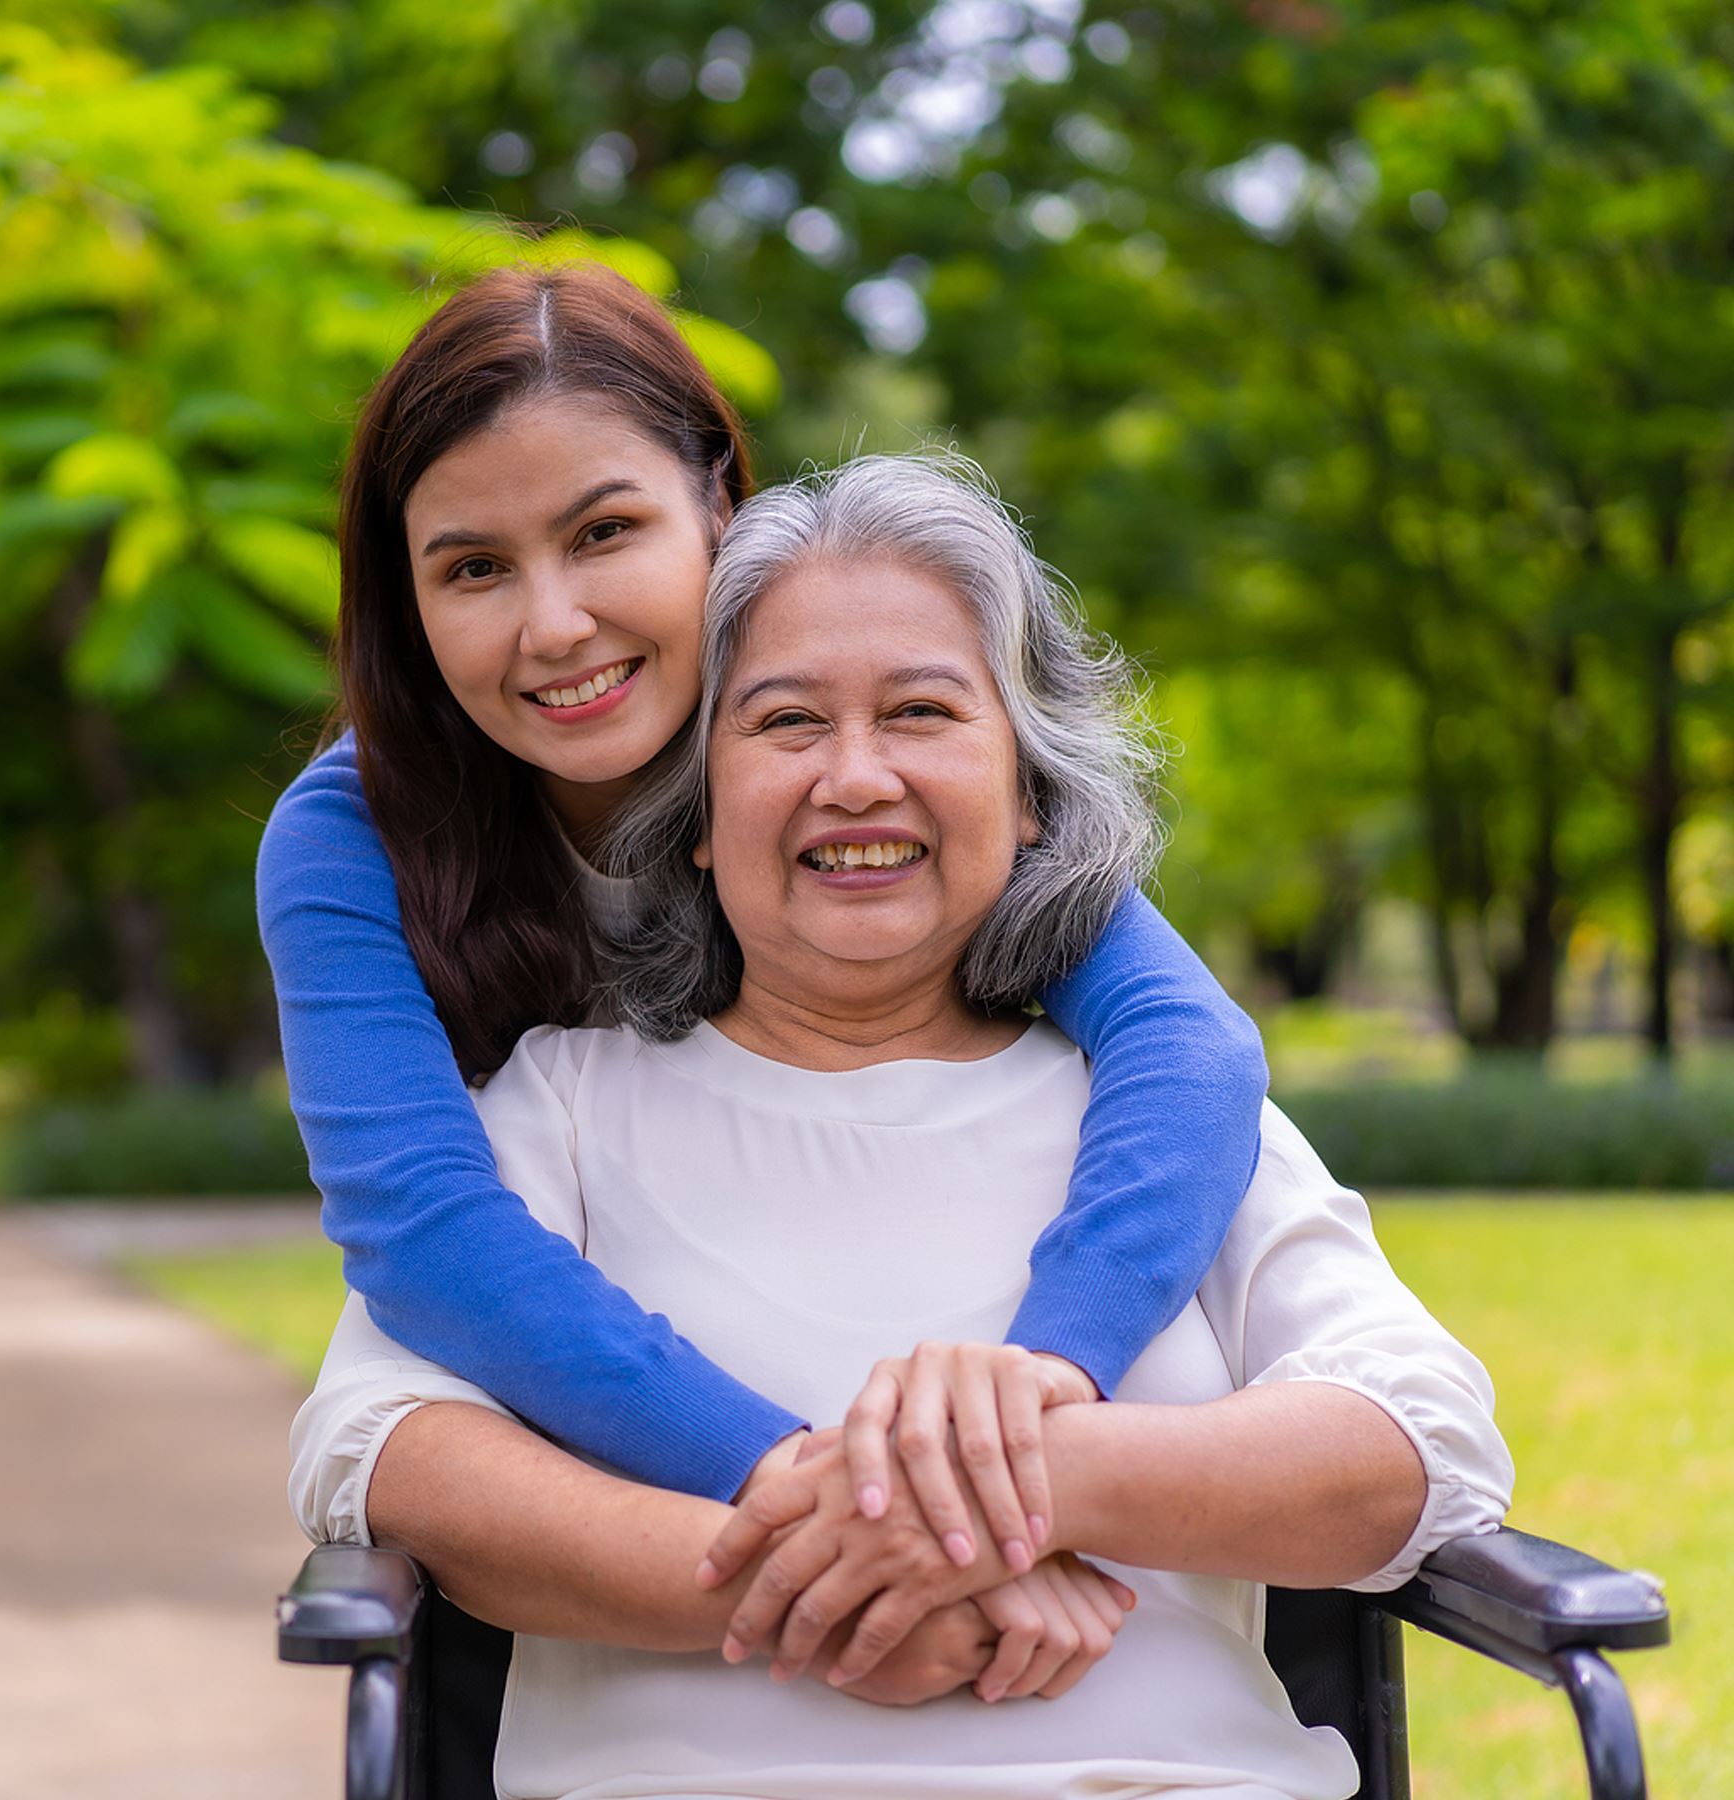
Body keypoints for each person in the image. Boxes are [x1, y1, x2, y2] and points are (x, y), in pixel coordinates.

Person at [290, 454, 1513, 1800]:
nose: (856, 777)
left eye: (922, 711)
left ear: (1029, 789)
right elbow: (390, 1448)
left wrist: (1034, 1470)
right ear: (695, 817)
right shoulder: (562, 1107)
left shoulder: (1161, 1122)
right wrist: (844, 1588)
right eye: (786, 723)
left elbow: (1422, 1445)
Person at [257, 260, 1272, 1561]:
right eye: (473, 569)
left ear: (721, 511)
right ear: (407, 600)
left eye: (605, 533)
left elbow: (1189, 1049)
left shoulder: (875, 781)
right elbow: (426, 1233)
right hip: (616, 1499)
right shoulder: (351, 838)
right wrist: (829, 1501)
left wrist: (1031, 1398)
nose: (554, 624)